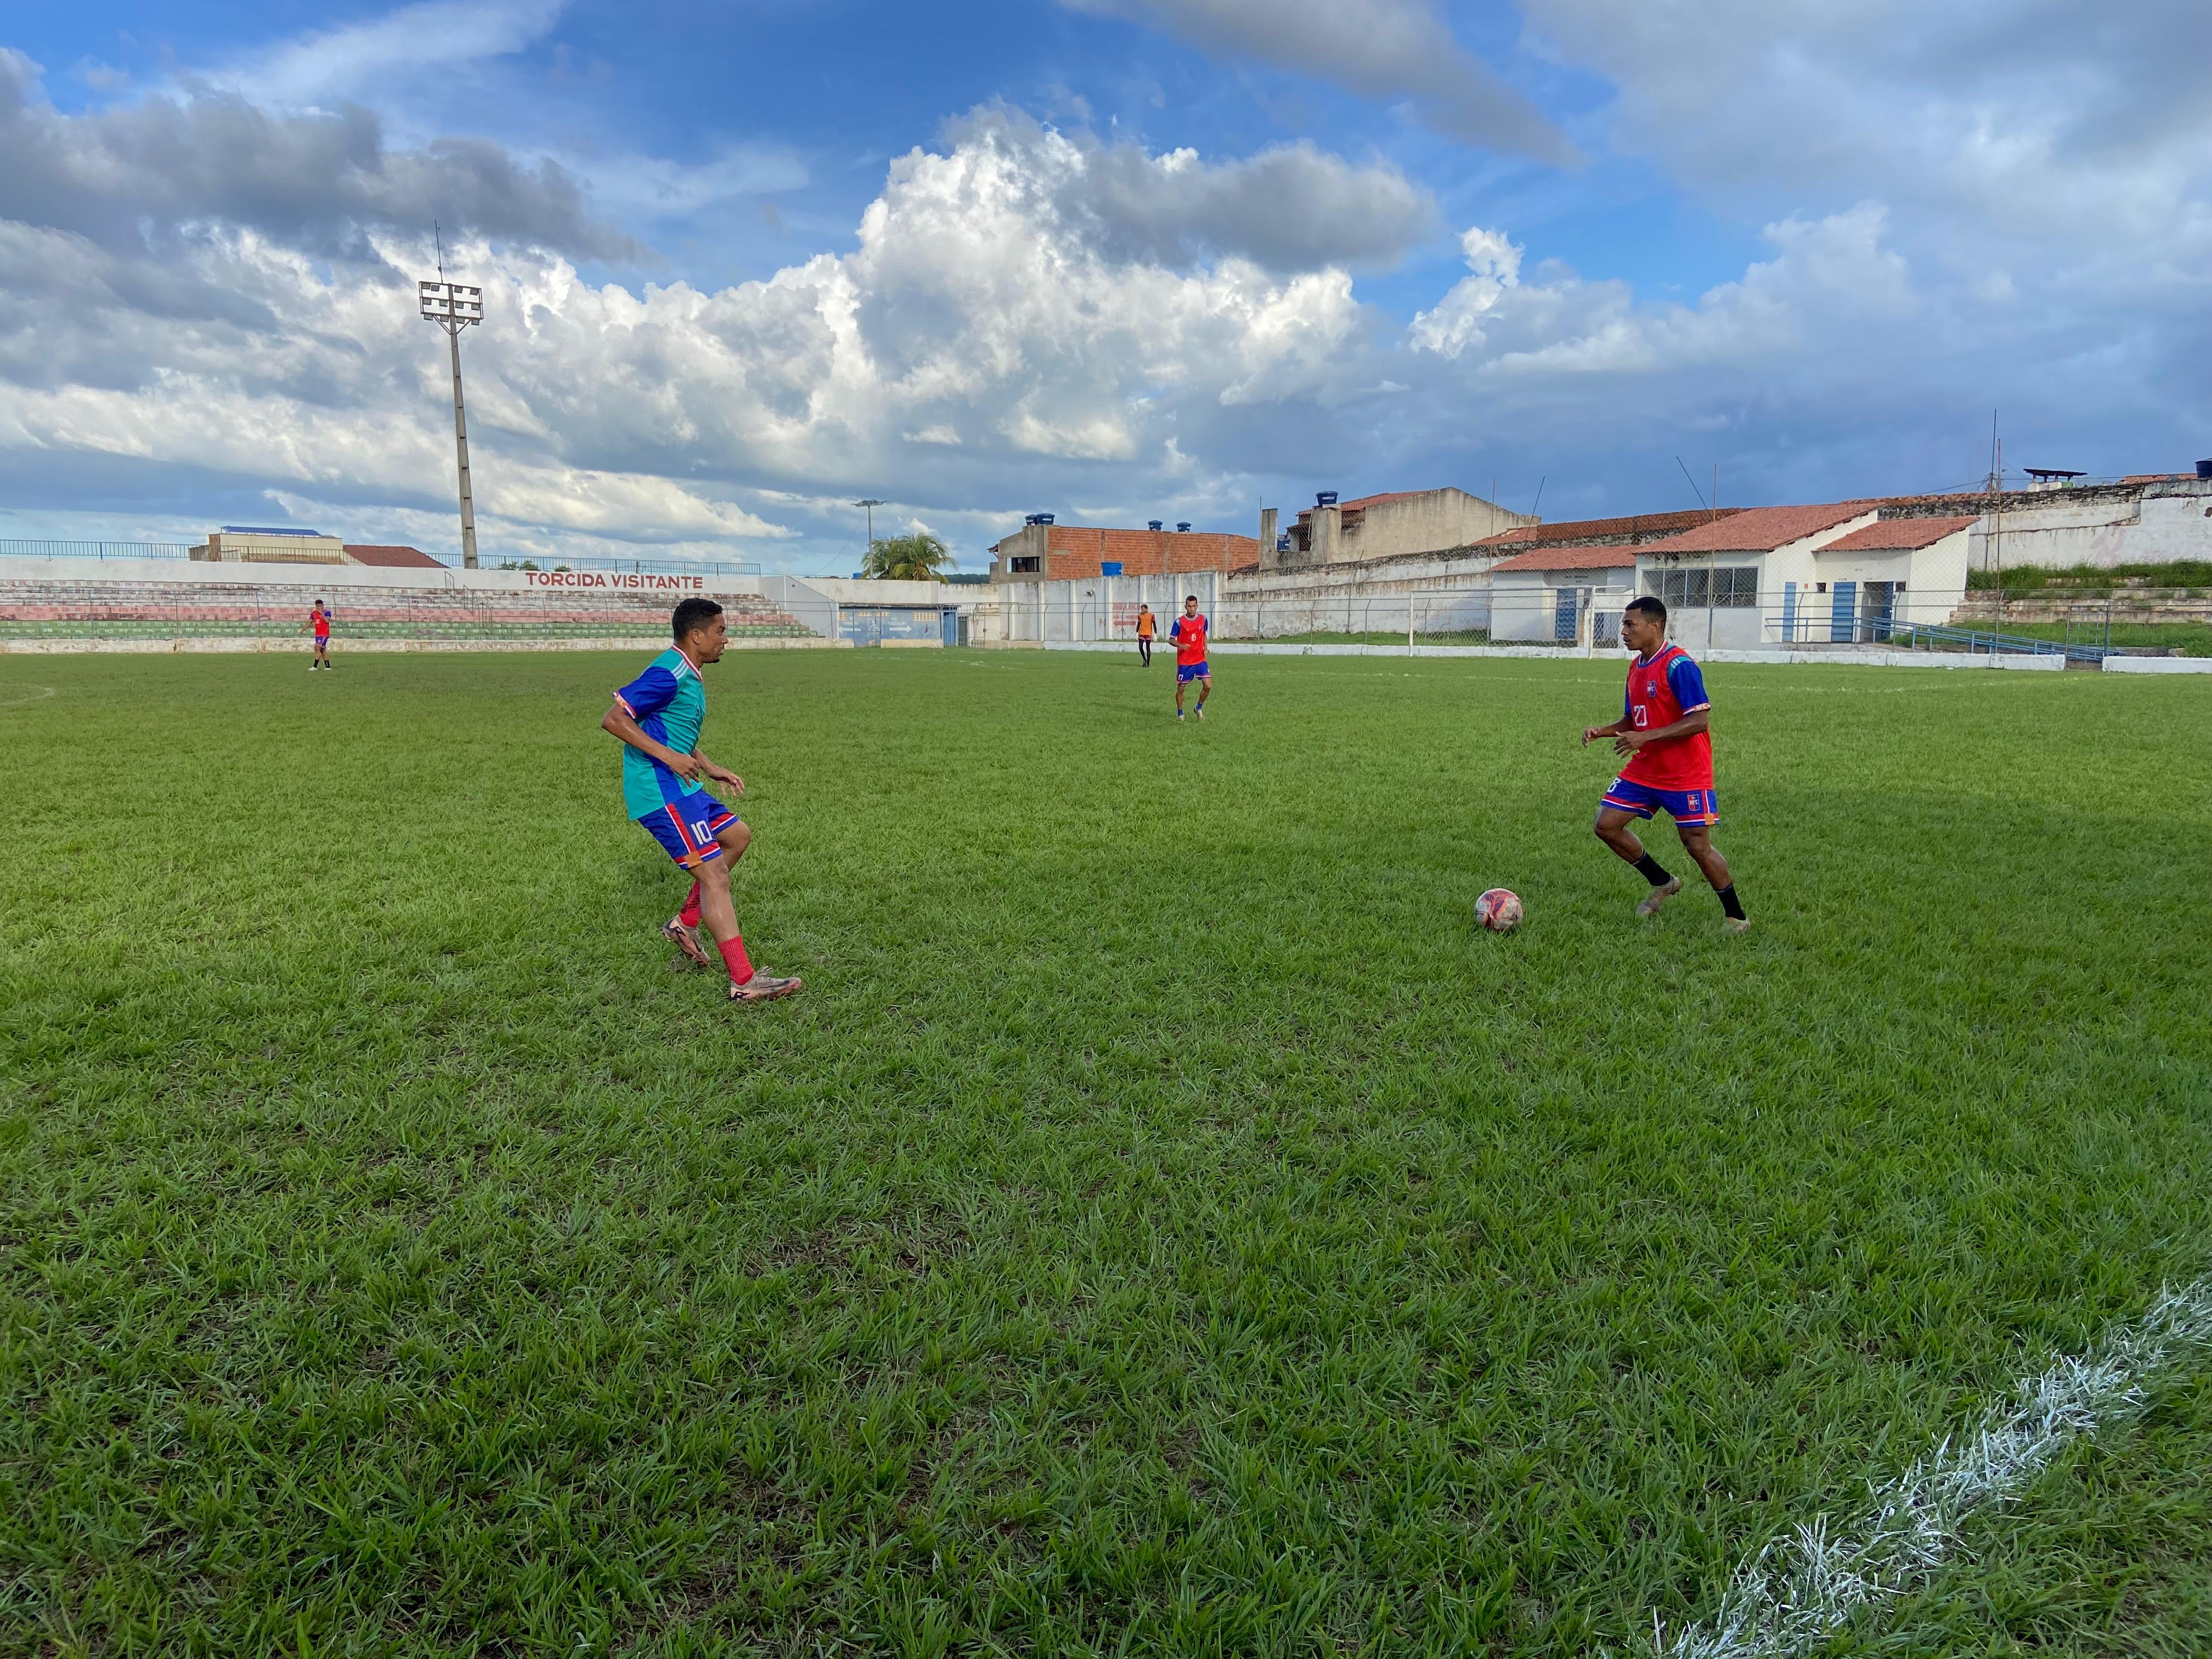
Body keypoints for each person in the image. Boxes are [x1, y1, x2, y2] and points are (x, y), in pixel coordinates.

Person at [600, 597, 804, 1002]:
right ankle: (743, 981)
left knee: (738, 837)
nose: (725, 640)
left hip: (683, 783)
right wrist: (670, 757)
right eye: (720, 632)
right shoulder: (670, 671)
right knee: (715, 877)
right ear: (697, 636)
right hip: (660, 788)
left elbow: (671, 730)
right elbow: (615, 719)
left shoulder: (688, 672)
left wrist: (706, 765)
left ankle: (685, 922)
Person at [1581, 595, 1748, 932]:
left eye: (1630, 624)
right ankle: (1663, 882)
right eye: (1623, 625)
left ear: (1655, 626)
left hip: (1686, 774)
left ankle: (1737, 917)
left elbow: (1699, 722)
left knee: (1697, 846)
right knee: (1606, 825)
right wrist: (1604, 731)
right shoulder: (1636, 667)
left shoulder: (1679, 665)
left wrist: (1646, 737)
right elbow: (1634, 719)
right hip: (1646, 769)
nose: (1623, 631)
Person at [1169, 594, 1210, 719]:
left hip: (1200, 659)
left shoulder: (1203, 619)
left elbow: (1203, 634)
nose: (1192, 609)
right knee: (1181, 689)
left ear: (1197, 606)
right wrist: (1181, 645)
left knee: (1208, 685)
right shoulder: (1179, 622)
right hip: (1185, 661)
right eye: (1189, 606)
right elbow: (1171, 640)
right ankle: (1180, 713)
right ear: (1185, 607)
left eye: (1194, 606)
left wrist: (1206, 647)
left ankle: (1198, 708)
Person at [303, 600, 332, 670]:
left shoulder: (327, 612)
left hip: (324, 634)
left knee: (317, 647)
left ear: (323, 605)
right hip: (318, 635)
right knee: (322, 650)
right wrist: (303, 629)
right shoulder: (314, 613)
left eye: (321, 606)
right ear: (316, 606)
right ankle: (328, 667)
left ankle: (315, 667)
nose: (320, 607)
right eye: (318, 606)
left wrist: (321, 614)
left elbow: (327, 620)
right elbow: (309, 622)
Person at [1135, 603, 1156, 667]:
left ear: (1146, 609)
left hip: (1148, 633)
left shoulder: (1151, 615)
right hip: (1142, 633)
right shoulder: (1140, 616)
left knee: (1148, 648)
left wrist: (1155, 634)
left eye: (1143, 609)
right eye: (1141, 609)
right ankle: (1144, 659)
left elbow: (1154, 624)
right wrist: (1137, 633)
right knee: (1140, 647)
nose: (1142, 611)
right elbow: (1139, 624)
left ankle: (1148, 664)